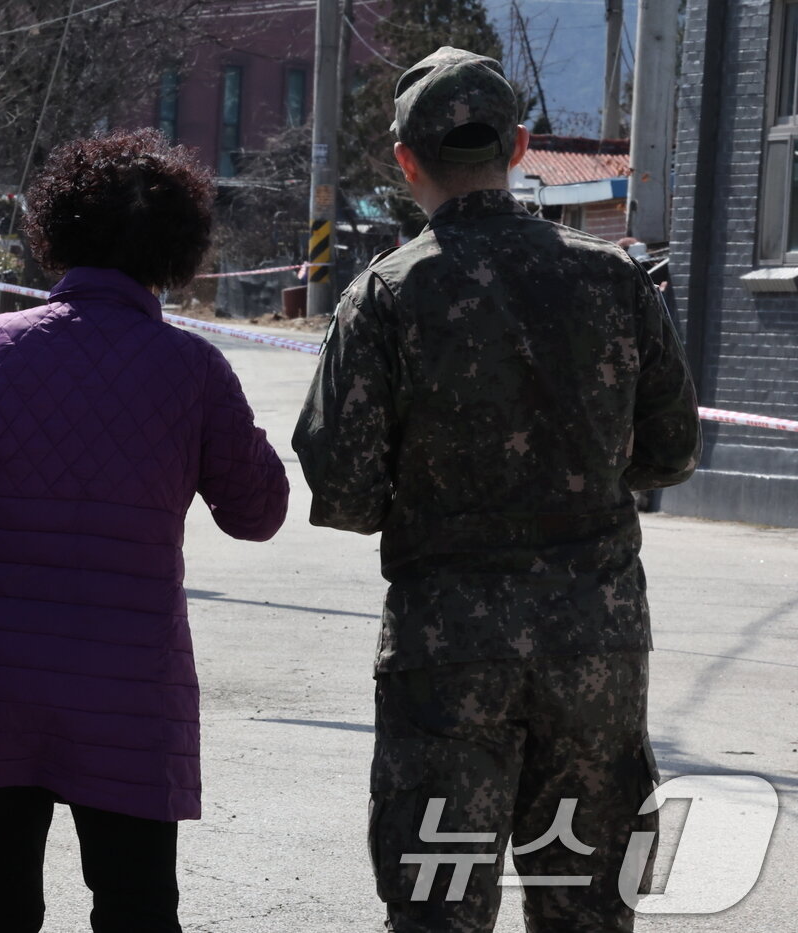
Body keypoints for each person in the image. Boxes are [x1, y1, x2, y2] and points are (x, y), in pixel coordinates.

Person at [291, 47, 701, 933]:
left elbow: (346, 490)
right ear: (517, 145)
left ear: (405, 160)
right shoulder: (615, 279)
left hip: (447, 654)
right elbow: (672, 453)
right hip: (597, 646)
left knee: (438, 903)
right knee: (589, 908)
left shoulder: (386, 296)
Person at [0, 128, 289, 933]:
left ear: (58, 226)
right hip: (128, 688)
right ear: (178, 248)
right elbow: (259, 513)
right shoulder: (194, 368)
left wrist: (3, 495)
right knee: (138, 909)